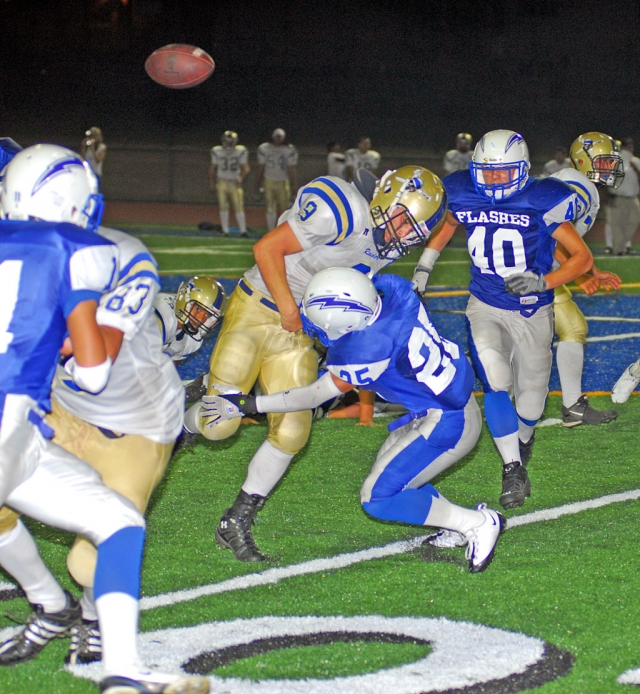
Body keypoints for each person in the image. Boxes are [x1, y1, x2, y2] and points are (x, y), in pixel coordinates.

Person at [0, 145, 208, 694]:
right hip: (52, 410)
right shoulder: (75, 251)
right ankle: (58, 613)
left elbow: (94, 356)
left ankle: (89, 616)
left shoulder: (118, 254)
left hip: (129, 423)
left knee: (88, 563)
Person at [184, 166, 448, 562]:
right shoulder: (341, 210)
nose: (403, 235)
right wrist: (290, 310)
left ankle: (235, 521)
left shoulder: (385, 240)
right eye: (402, 221)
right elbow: (266, 249)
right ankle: (185, 416)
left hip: (299, 332)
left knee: (292, 432)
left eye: (414, 231)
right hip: (259, 308)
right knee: (219, 426)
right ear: (384, 199)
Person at [202, 269, 505, 573]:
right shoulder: (394, 292)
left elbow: (310, 397)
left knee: (377, 498)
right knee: (398, 474)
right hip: (438, 403)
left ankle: (477, 523)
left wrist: (247, 404)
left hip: (447, 420)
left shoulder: (367, 350)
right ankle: (455, 523)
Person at [411, 129, 593, 510]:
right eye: (487, 173)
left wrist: (544, 280)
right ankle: (512, 468)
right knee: (495, 381)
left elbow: (581, 258)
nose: (493, 180)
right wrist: (424, 268)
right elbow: (448, 224)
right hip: (485, 304)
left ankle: (523, 439)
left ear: (523, 170)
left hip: (532, 310)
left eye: (502, 173)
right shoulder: (461, 190)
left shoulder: (542, 197)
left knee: (530, 405)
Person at [552, 132, 624, 426]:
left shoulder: (575, 182)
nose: (610, 168)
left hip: (527, 265)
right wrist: (579, 276)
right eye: (604, 162)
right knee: (571, 328)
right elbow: (549, 234)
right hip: (531, 268)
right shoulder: (577, 185)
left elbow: (566, 241)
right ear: (583, 160)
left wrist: (590, 272)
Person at [154, 275, 227, 403]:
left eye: (207, 315)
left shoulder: (192, 340)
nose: (200, 318)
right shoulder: (162, 317)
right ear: (184, 300)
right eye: (198, 309)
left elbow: (169, 365)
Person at [208, 131, 250, 237]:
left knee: (238, 206)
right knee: (223, 206)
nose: (230, 144)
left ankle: (243, 230)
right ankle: (225, 230)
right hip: (222, 181)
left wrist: (241, 178)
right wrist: (212, 183)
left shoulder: (240, 151)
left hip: (234, 182)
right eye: (228, 142)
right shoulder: (216, 151)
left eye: (231, 142)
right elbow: (212, 169)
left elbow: (246, 168)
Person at [256, 128, 298, 231]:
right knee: (270, 207)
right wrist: (257, 181)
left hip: (283, 181)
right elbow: (261, 166)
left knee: (284, 209)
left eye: (280, 137)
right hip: (268, 180)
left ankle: (281, 231)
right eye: (277, 136)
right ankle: (271, 231)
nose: (278, 139)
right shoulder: (264, 148)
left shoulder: (289, 150)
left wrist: (293, 184)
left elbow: (291, 169)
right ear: (273, 137)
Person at [607, 137, 640, 255]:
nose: (630, 148)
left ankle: (620, 245)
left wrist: (636, 170)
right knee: (616, 224)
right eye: (627, 146)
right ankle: (619, 249)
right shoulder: (616, 160)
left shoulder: (636, 161)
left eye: (631, 146)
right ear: (623, 147)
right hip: (618, 196)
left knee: (635, 220)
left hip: (633, 198)